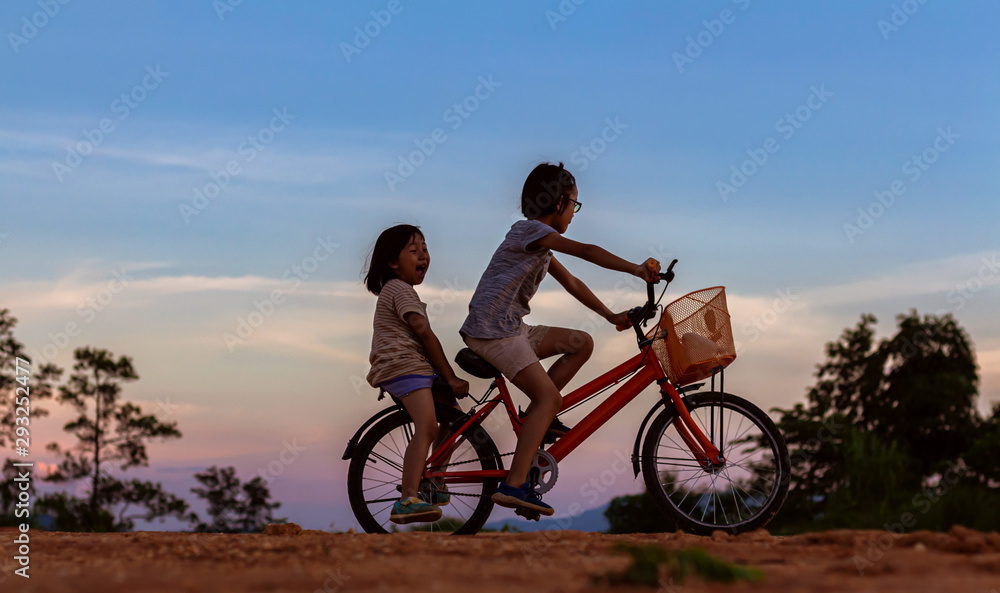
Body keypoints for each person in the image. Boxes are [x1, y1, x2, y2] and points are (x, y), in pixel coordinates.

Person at [460, 162, 660, 516]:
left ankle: (540, 415)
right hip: (492, 332)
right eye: (574, 204)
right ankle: (514, 484)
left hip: (510, 327)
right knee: (550, 397)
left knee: (581, 342)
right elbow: (586, 251)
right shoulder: (530, 232)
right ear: (557, 204)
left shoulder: (540, 245)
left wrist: (612, 316)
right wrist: (635, 269)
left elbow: (573, 283)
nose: (574, 213)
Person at [364, 224, 470, 524]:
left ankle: (434, 480)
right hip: (402, 366)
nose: (423, 255)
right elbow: (424, 332)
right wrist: (449, 377)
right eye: (414, 250)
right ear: (393, 262)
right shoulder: (398, 289)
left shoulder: (402, 290)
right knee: (427, 426)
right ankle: (406, 498)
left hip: (416, 366)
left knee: (453, 420)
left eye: (425, 249)